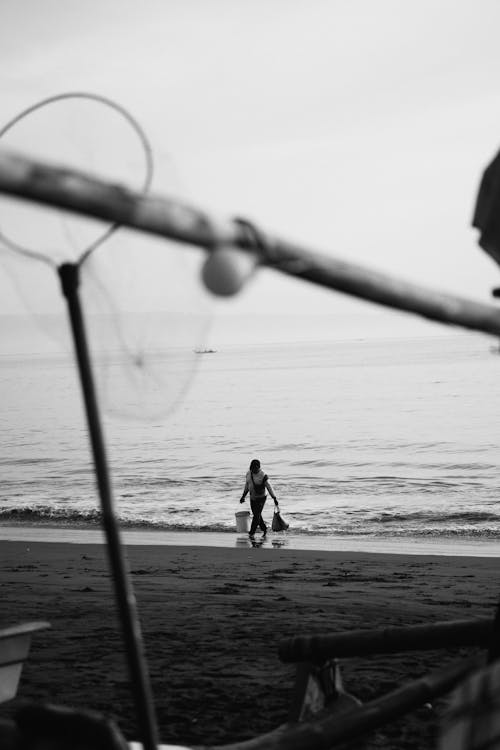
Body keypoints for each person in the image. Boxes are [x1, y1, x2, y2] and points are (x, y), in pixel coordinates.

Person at [239, 458, 278, 539]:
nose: (253, 470)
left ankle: (251, 532)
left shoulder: (263, 475)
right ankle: (264, 528)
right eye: (252, 468)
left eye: (255, 468)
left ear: (258, 467)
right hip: (252, 497)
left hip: (261, 498)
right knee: (257, 515)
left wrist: (274, 498)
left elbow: (269, 487)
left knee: (256, 516)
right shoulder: (248, 474)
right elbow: (247, 485)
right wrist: (243, 496)